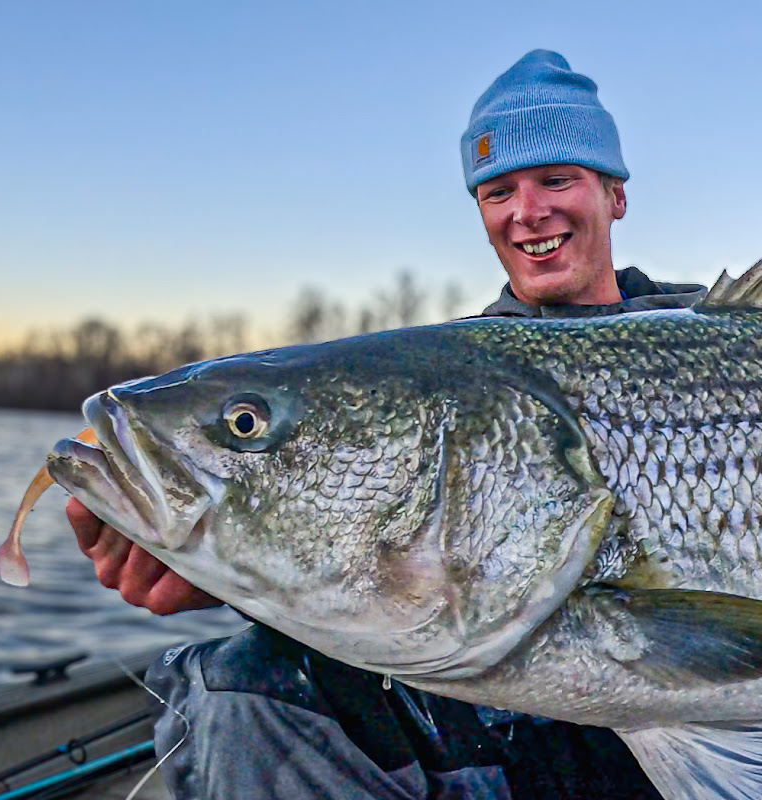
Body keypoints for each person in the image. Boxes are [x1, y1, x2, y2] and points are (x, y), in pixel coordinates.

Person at [68, 50, 706, 799]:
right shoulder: (443, 373)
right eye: (498, 190)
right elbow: (421, 560)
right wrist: (229, 575)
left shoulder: (712, 338)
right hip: (517, 722)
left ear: (615, 196)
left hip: (661, 715)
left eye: (557, 179)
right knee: (242, 685)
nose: (527, 211)